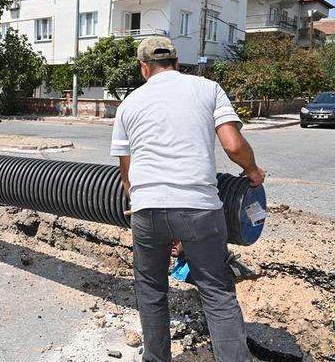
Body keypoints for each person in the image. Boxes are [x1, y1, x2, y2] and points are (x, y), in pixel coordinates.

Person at [110, 36, 265, 361]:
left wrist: (138, 203)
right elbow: (234, 145)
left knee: (151, 291)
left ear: (144, 68)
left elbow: (128, 172)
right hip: (198, 208)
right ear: (177, 63)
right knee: (217, 292)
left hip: (147, 209)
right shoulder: (207, 89)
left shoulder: (128, 105)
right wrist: (253, 171)